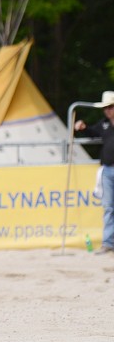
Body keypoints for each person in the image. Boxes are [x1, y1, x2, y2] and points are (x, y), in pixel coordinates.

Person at [74, 90, 114, 254]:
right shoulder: (103, 124)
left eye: (110, 107)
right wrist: (83, 128)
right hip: (107, 169)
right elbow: (92, 132)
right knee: (109, 207)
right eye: (106, 108)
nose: (107, 110)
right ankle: (108, 243)